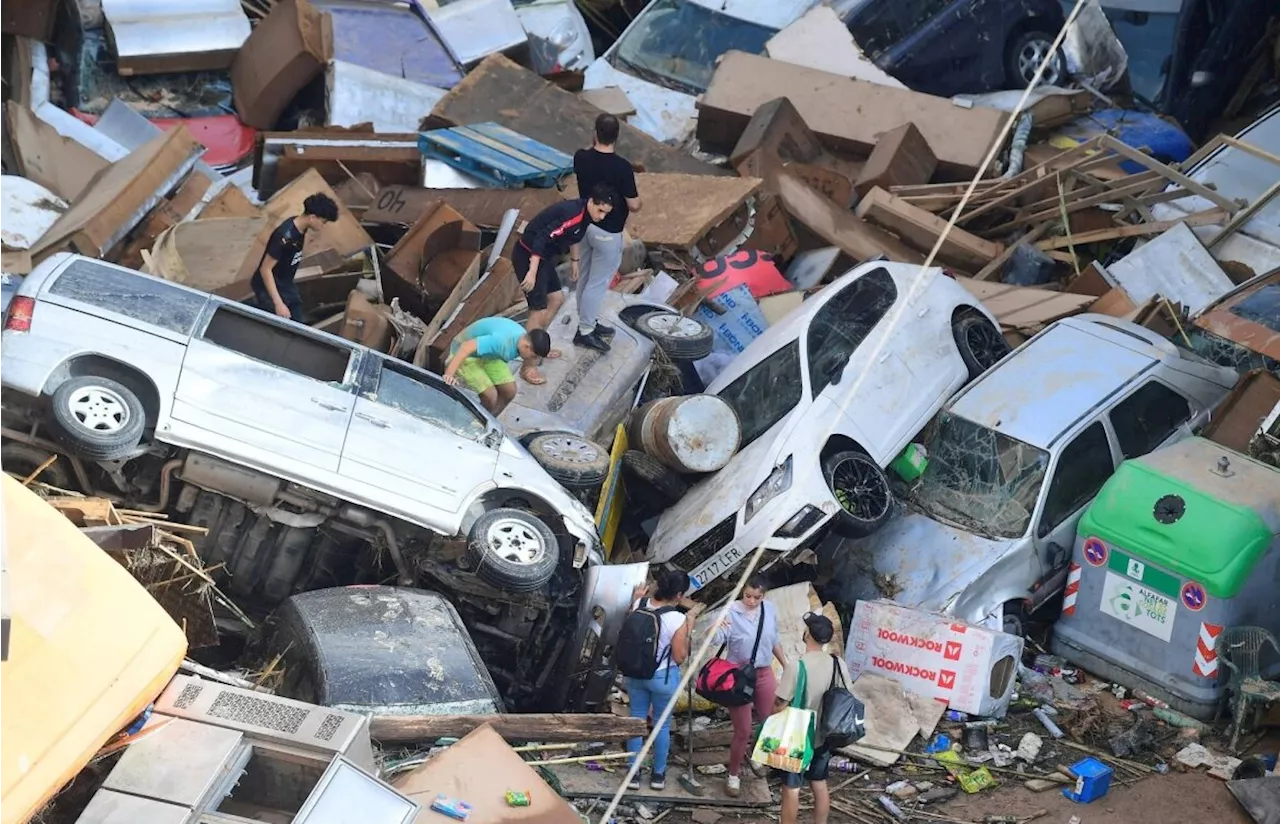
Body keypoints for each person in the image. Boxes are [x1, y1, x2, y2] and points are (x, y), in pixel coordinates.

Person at [512, 184, 617, 384]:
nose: (602, 216)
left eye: (606, 213)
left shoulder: (586, 215)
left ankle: (540, 345)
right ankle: (528, 364)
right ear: (591, 202)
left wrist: (575, 262)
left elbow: (573, 236)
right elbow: (541, 239)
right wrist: (532, 272)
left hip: (545, 258)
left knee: (557, 299)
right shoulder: (573, 213)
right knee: (537, 310)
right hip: (529, 255)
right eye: (600, 210)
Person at [710, 575, 787, 797]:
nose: (751, 601)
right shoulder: (731, 611)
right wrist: (715, 626)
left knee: (771, 720)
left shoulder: (769, 610)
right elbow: (715, 638)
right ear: (742, 592)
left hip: (764, 672)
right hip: (738, 675)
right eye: (748, 596)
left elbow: (774, 640)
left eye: (757, 597)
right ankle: (733, 774)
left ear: (764, 596)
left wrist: (786, 665)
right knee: (742, 730)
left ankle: (756, 755)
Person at [623, 570, 700, 792]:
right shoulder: (678, 619)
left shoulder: (639, 603)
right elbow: (679, 656)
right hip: (662, 678)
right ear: (678, 595)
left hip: (636, 674)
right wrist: (688, 629)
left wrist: (636, 597)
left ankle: (633, 773)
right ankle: (657, 775)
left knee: (635, 721)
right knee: (662, 725)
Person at [571, 114, 641, 353]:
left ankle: (586, 320)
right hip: (608, 231)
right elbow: (633, 204)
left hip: (584, 224)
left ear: (595, 132)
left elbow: (589, 159)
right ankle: (586, 330)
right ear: (617, 137)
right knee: (597, 283)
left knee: (585, 276)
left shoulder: (581, 157)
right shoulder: (622, 167)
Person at [775, 613, 853, 824]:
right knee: (819, 783)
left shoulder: (797, 666)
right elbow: (848, 693)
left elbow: (780, 703)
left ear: (807, 634)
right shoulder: (838, 664)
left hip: (798, 736)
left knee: (791, 789)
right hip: (826, 733)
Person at [252, 193, 338, 322]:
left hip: (285, 283)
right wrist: (278, 304)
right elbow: (265, 269)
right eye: (323, 222)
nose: (323, 226)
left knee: (297, 314)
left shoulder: (300, 227)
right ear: (313, 217)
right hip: (270, 286)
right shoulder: (285, 237)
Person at [442, 317, 552, 414]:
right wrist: (449, 374)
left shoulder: (521, 339)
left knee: (509, 392)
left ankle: (490, 419)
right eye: (533, 356)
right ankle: (472, 424)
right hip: (466, 355)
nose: (532, 360)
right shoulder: (501, 342)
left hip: (490, 355)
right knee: (490, 397)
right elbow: (466, 347)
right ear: (526, 347)